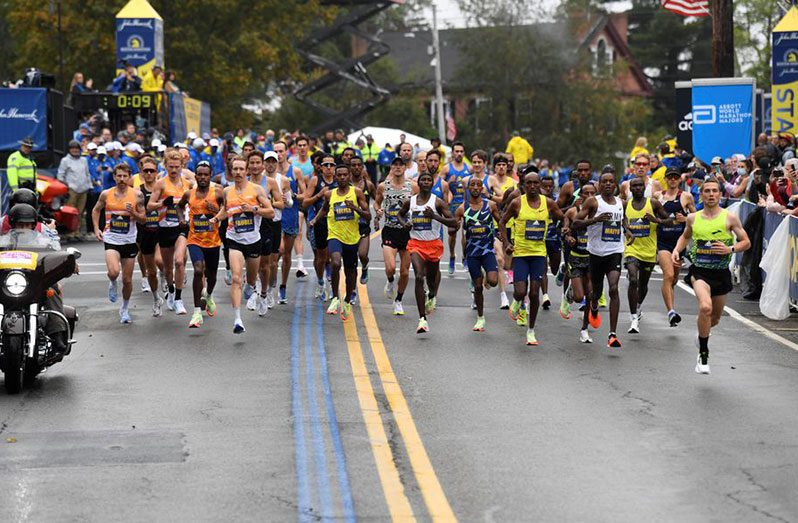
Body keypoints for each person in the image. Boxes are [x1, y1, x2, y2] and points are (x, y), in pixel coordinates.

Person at [672, 177, 750, 374]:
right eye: (707, 191)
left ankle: (701, 336)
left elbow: (746, 242)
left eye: (715, 191)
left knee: (714, 318)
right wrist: (676, 250)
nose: (711, 194)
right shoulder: (693, 218)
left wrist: (730, 248)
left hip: (721, 274)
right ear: (702, 194)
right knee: (705, 307)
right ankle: (703, 355)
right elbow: (686, 236)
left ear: (720, 194)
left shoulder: (729, 218)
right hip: (699, 272)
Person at [209, 157, 275, 334]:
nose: (238, 172)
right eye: (235, 169)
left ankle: (252, 286)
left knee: (250, 280)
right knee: (236, 278)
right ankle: (237, 320)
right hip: (234, 239)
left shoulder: (257, 190)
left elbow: (270, 212)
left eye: (241, 169)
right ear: (231, 171)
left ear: (246, 171)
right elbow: (225, 210)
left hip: (253, 241)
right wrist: (216, 219)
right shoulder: (227, 191)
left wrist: (253, 209)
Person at [500, 172, 564, 346]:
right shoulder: (517, 202)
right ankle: (516, 301)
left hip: (538, 255)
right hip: (520, 254)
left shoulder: (548, 203)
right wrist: (506, 242)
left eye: (536, 183)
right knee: (520, 292)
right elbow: (502, 221)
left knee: (535, 293)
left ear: (540, 184)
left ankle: (531, 330)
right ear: (524, 184)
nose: (533, 186)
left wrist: (565, 229)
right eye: (529, 183)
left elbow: (563, 218)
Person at [571, 172, 627, 348]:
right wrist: (595, 220)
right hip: (595, 253)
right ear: (599, 185)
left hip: (615, 252)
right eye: (605, 182)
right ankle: (585, 325)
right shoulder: (593, 202)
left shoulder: (621, 202)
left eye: (611, 181)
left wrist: (629, 230)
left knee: (613, 288)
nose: (608, 184)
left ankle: (612, 334)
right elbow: (575, 224)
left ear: (615, 184)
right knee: (593, 293)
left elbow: (623, 220)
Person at [397, 171, 457, 334]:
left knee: (431, 279)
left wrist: (435, 217)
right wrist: (404, 224)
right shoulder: (410, 202)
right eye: (422, 179)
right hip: (416, 244)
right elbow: (399, 215)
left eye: (428, 180)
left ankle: (432, 295)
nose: (425, 182)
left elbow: (454, 223)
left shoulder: (437, 202)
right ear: (418, 182)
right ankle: (422, 319)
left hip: (433, 245)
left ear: (432, 184)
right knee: (418, 276)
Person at [311, 164, 371, 321]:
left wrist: (355, 208)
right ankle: (335, 298)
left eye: (345, 175)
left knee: (351, 271)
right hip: (334, 235)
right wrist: (315, 220)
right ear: (336, 177)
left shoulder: (356, 192)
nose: (343, 177)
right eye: (340, 175)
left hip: (352, 237)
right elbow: (324, 209)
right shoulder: (329, 194)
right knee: (335, 263)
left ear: (349, 176)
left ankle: (346, 301)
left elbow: (368, 216)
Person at [91, 163, 146, 324]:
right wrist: (96, 228)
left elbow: (143, 219)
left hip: (129, 241)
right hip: (111, 239)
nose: (122, 179)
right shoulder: (105, 194)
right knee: (114, 272)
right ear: (114, 177)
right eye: (119, 176)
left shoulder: (137, 195)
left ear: (129, 177)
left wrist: (133, 213)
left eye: (125, 176)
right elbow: (96, 210)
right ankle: (112, 282)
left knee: (127, 280)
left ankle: (125, 309)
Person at [176, 161, 224, 328]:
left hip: (213, 241)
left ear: (210, 176)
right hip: (194, 239)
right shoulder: (189, 194)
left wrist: (215, 211)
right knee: (198, 269)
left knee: (212, 276)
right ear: (195, 176)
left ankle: (209, 295)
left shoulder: (218, 192)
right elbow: (179, 207)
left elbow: (227, 211)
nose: (203, 177)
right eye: (200, 175)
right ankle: (197, 312)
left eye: (206, 175)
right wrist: (182, 219)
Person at [146, 149, 195, 315]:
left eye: (176, 166)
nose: (173, 170)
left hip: (181, 227)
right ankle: (172, 291)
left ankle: (179, 299)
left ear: (182, 166)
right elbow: (149, 206)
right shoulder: (160, 183)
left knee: (180, 261)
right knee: (168, 269)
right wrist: (162, 203)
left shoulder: (187, 184)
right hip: (165, 227)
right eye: (170, 167)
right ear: (165, 165)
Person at [623, 176, 671, 334]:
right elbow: (622, 220)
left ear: (644, 187)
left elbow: (670, 221)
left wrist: (656, 220)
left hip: (649, 251)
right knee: (633, 279)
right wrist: (627, 230)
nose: (637, 188)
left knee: (643, 285)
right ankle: (633, 318)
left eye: (639, 186)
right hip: (632, 249)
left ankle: (638, 306)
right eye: (634, 186)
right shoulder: (626, 204)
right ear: (630, 189)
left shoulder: (654, 203)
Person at [456, 177, 503, 332]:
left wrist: (504, 237)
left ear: (482, 188)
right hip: (473, 253)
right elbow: (455, 226)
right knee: (477, 286)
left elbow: (501, 221)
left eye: (478, 185)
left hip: (488, 250)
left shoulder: (490, 205)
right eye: (472, 185)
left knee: (494, 281)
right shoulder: (462, 209)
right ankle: (481, 318)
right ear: (468, 188)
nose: (475, 187)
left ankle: (487, 275)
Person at [373, 156, 418, 315]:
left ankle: (398, 300)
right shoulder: (382, 186)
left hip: (407, 232)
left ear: (405, 168)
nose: (398, 167)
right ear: (391, 167)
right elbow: (376, 202)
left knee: (405, 272)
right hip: (390, 229)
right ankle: (391, 281)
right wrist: (378, 210)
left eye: (401, 165)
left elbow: (419, 203)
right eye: (395, 165)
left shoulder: (413, 186)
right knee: (391, 267)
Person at [656, 168, 696, 326]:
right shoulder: (658, 197)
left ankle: (670, 308)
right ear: (665, 179)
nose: (672, 180)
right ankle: (671, 312)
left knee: (673, 279)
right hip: (663, 242)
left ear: (680, 180)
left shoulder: (686, 197)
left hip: (679, 243)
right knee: (668, 275)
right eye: (670, 177)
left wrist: (685, 218)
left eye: (675, 177)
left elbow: (697, 218)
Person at [250, 151, 286, 314]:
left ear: (262, 165)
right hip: (248, 225)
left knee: (267, 264)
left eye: (259, 163)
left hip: (268, 224)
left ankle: (265, 293)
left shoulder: (270, 182)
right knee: (250, 261)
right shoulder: (243, 182)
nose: (256, 166)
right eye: (253, 163)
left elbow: (280, 203)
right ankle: (254, 290)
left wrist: (265, 204)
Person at [562, 183, 597, 342]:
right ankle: (571, 289)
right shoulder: (573, 211)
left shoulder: (601, 211)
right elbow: (565, 227)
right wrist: (568, 236)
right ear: (581, 195)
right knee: (578, 298)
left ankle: (584, 329)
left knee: (590, 295)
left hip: (592, 258)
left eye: (592, 193)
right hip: (576, 257)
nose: (589, 196)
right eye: (586, 193)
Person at [274, 140, 306, 304]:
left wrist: (292, 196)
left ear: (287, 152)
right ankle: (270, 278)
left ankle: (283, 286)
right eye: (276, 151)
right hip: (275, 216)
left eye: (281, 151)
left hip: (291, 215)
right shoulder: (269, 173)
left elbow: (305, 195)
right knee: (278, 250)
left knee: (286, 254)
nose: (279, 155)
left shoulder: (295, 171)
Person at [304, 154, 338, 300]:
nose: (329, 168)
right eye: (326, 165)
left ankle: (333, 285)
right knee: (320, 256)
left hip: (337, 222)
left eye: (331, 165)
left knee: (334, 257)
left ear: (335, 167)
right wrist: (319, 195)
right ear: (321, 167)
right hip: (320, 222)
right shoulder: (316, 180)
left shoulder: (340, 180)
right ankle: (320, 282)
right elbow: (305, 202)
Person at [135, 157, 165, 316]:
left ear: (156, 172)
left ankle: (166, 277)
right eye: (145, 170)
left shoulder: (163, 188)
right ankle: (156, 299)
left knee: (160, 260)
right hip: (145, 232)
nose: (148, 173)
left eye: (151, 171)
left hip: (162, 231)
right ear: (141, 172)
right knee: (150, 272)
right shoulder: (138, 192)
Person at [443, 142, 471, 275]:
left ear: (463, 153)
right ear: (453, 153)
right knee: (452, 233)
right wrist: (449, 182)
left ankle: (465, 257)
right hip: (453, 205)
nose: (459, 154)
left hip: (465, 203)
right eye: (457, 151)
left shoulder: (469, 168)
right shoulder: (447, 169)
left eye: (461, 151)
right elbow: (440, 185)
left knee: (466, 233)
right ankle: (452, 256)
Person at [57, 140, 93, 241]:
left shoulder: (83, 160)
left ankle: (77, 232)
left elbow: (87, 174)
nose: (75, 150)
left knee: (80, 212)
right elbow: (60, 175)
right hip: (71, 190)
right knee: (70, 212)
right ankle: (70, 232)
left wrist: (90, 186)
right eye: (72, 148)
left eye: (76, 148)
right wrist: (65, 188)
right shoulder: (65, 160)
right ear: (69, 150)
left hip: (83, 189)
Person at [350, 156, 376, 290]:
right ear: (349, 167)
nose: (356, 167)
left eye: (359, 165)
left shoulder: (368, 184)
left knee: (362, 255)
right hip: (348, 225)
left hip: (363, 224)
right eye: (353, 165)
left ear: (362, 167)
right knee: (351, 260)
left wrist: (378, 216)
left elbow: (377, 200)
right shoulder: (344, 183)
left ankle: (365, 266)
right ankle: (352, 290)